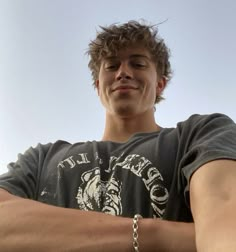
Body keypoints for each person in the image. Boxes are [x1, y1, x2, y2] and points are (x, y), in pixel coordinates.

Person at [0, 20, 236, 252]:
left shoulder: (199, 134)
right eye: (112, 66)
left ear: (160, 84)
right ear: (97, 84)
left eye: (138, 64)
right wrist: (158, 235)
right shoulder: (42, 159)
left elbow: (224, 205)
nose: (123, 72)